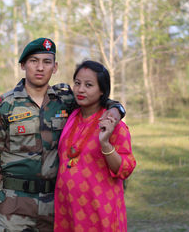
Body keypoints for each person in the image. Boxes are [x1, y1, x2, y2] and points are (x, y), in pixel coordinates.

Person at [0, 38, 126, 232]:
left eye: (47, 62)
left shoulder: (65, 99)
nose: (40, 68)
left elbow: (100, 98)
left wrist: (116, 110)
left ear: (54, 67)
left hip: (57, 203)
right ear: (23, 65)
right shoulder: (3, 106)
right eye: (33, 61)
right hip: (15, 203)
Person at [54, 60, 136, 232]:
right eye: (77, 83)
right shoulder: (70, 115)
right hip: (67, 211)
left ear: (102, 91)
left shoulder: (113, 125)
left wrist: (105, 143)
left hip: (100, 212)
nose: (80, 89)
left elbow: (126, 169)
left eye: (88, 85)